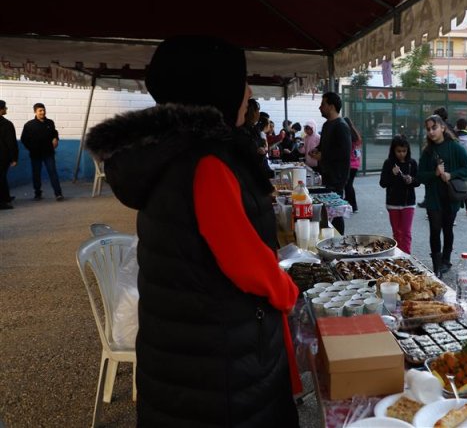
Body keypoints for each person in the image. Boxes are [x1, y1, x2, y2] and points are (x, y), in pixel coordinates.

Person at [85, 35, 300, 426]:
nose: (249, 92)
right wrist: (287, 291)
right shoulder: (207, 162)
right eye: (243, 81)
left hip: (182, 356)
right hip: (219, 369)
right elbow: (245, 262)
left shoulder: (169, 150)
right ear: (215, 90)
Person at [417, 114, 467, 277]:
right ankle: (437, 266)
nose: (431, 132)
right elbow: (420, 176)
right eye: (428, 129)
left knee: (447, 229)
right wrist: (434, 173)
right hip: (433, 197)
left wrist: (450, 175)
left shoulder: (455, 147)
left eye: (434, 128)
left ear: (442, 128)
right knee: (434, 230)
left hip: (451, 197)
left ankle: (446, 260)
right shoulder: (427, 151)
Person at [309, 92, 351, 235]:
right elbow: (324, 145)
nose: (320, 107)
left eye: (323, 104)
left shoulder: (341, 126)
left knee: (336, 213)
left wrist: (323, 155)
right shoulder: (327, 125)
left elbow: (344, 152)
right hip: (326, 175)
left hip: (337, 177)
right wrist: (316, 150)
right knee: (328, 213)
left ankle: (339, 242)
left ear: (331, 107)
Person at [379, 135, 420, 254]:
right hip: (393, 204)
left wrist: (411, 180)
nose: (402, 154)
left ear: (408, 150)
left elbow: (418, 181)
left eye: (404, 151)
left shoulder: (412, 163)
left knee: (406, 232)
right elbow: (383, 183)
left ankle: (407, 256)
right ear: (393, 150)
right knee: (397, 232)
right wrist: (392, 173)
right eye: (398, 151)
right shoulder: (388, 163)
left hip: (408, 203)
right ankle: (398, 255)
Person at [20, 102, 63, 201]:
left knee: (53, 173)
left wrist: (56, 138)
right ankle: (38, 194)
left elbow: (54, 133)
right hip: (36, 155)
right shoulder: (29, 125)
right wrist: (32, 148)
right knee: (36, 174)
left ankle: (58, 194)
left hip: (49, 153)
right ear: (35, 112)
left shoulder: (50, 122)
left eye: (43, 110)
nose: (42, 112)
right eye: (40, 111)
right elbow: (24, 139)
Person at [0, 100, 18, 209]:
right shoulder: (7, 124)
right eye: (5, 108)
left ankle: (6, 198)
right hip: (3, 157)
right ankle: (3, 202)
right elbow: (11, 143)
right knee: (1, 178)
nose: (6, 109)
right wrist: (14, 158)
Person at [344, 116, 362, 213]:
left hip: (350, 164)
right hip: (356, 164)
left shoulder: (348, 135)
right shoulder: (356, 134)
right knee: (348, 184)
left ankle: (354, 206)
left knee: (348, 185)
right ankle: (348, 203)